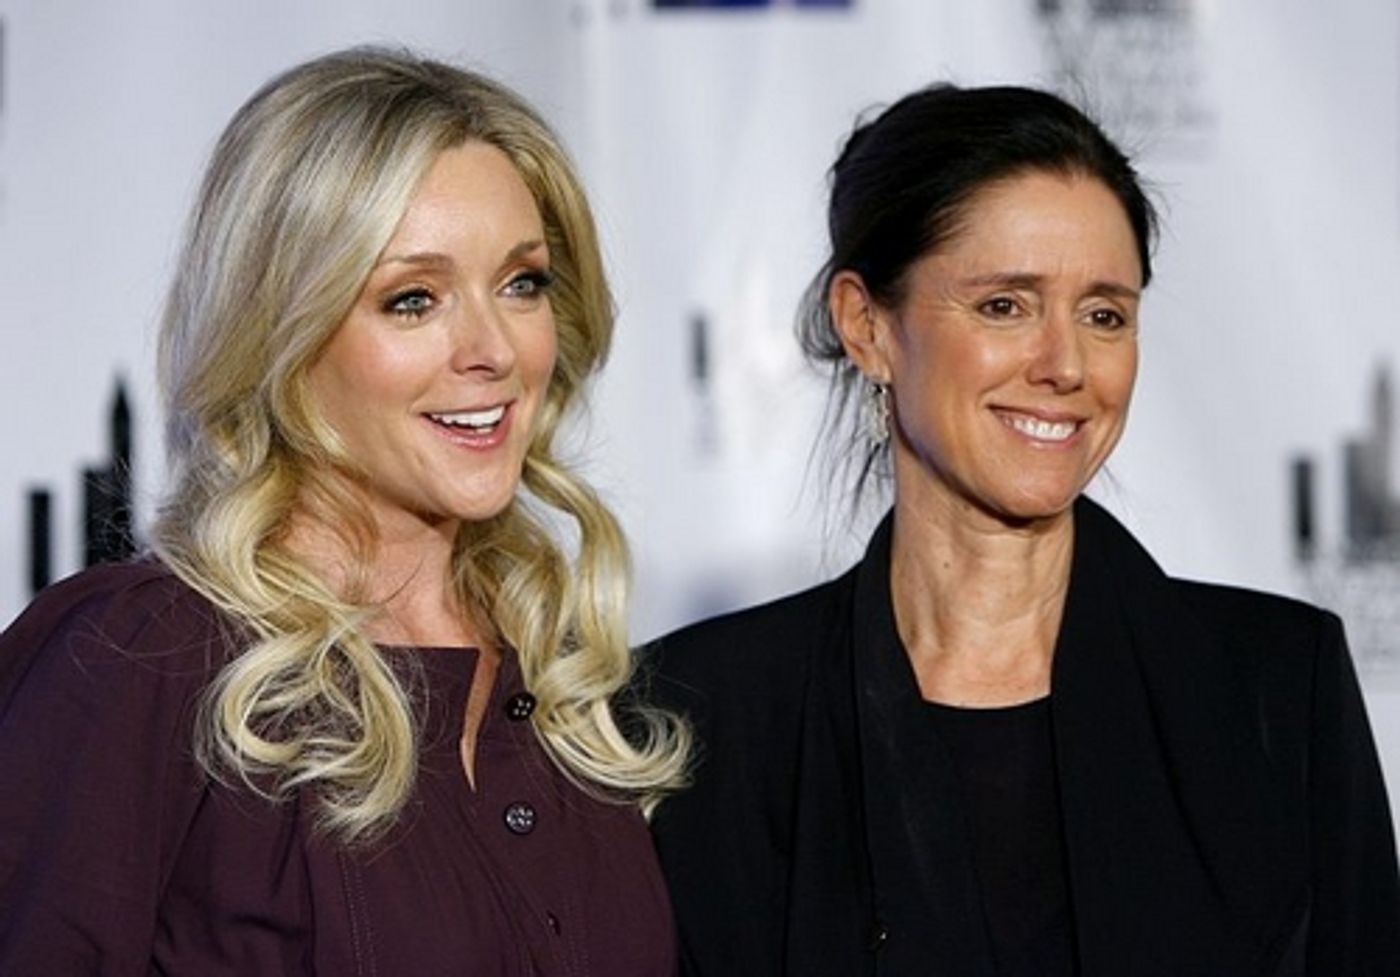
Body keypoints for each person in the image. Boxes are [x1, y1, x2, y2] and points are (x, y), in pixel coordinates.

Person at [644, 84, 1400, 976]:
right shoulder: (700, 716)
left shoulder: (1276, 687)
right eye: (1006, 305)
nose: (1066, 365)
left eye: (1104, 314)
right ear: (868, 326)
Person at [0, 47, 687, 976]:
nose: (493, 348)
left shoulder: (559, 691)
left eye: (522, 283)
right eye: (413, 300)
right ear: (282, 333)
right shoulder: (140, 659)